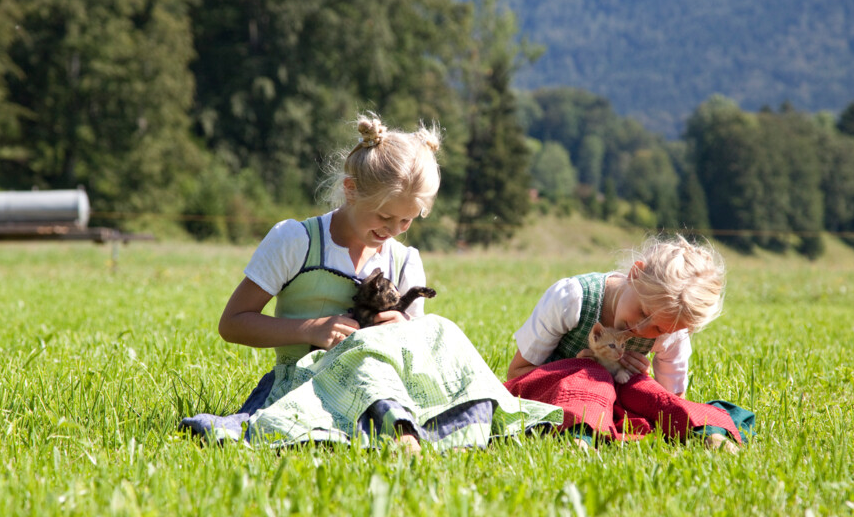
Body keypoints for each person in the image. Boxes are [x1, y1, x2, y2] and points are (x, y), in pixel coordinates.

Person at [180, 114, 562, 452]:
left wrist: (404, 329)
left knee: (442, 330)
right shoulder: (297, 242)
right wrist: (311, 329)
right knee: (363, 356)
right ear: (350, 189)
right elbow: (232, 324)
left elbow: (416, 351)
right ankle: (405, 436)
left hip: (386, 380)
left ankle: (476, 418)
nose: (393, 231)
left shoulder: (404, 260)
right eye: (384, 216)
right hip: (308, 381)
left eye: (407, 222)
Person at [504, 235, 754, 448]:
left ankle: (708, 432)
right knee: (591, 373)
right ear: (634, 274)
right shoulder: (572, 299)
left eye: (659, 328)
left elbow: (670, 397)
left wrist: (640, 379)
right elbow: (518, 373)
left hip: (617, 405)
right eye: (643, 312)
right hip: (561, 397)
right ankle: (578, 437)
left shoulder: (671, 333)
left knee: (642, 387)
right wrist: (574, 368)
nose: (641, 329)